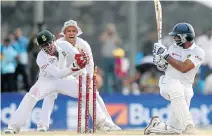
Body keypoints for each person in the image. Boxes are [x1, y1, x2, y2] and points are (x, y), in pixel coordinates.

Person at [37, 20, 121, 132]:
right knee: (50, 95)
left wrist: (90, 80)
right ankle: (42, 125)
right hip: (61, 72)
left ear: (77, 33)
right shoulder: (57, 43)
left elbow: (90, 63)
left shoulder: (83, 44)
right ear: (64, 33)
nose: (71, 33)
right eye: (68, 31)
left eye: (73, 31)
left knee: (92, 93)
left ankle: (105, 123)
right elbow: (47, 61)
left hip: (78, 72)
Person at [4, 30, 95, 134]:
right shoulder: (41, 58)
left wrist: (82, 59)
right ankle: (13, 127)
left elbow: (77, 55)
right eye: (44, 46)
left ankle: (98, 124)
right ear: (40, 47)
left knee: (86, 92)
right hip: (46, 80)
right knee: (31, 96)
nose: (47, 47)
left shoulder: (64, 45)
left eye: (48, 43)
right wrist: (74, 66)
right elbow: (58, 74)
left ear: (53, 40)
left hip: (65, 78)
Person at [144, 23, 205, 135]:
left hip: (186, 88)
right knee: (176, 87)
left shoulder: (198, 52)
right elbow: (164, 67)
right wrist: (159, 61)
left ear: (185, 37)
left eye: (176, 36)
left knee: (175, 129)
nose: (174, 38)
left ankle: (155, 125)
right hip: (168, 82)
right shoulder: (173, 48)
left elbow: (184, 68)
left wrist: (165, 55)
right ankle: (189, 126)